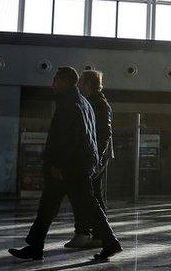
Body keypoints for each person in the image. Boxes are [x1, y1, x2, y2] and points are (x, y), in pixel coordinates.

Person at [9, 67, 121, 261]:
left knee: (72, 205)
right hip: (78, 165)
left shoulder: (70, 103)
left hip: (69, 168)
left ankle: (110, 242)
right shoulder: (82, 102)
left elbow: (70, 138)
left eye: (55, 79)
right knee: (57, 205)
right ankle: (35, 246)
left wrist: (58, 164)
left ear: (65, 82)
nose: (52, 83)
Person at [66, 70, 115, 249]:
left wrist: (96, 159)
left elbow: (104, 134)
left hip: (93, 158)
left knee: (88, 195)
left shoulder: (98, 104)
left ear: (88, 84)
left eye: (81, 83)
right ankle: (95, 234)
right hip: (92, 156)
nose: (78, 86)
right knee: (91, 194)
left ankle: (89, 233)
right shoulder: (92, 102)